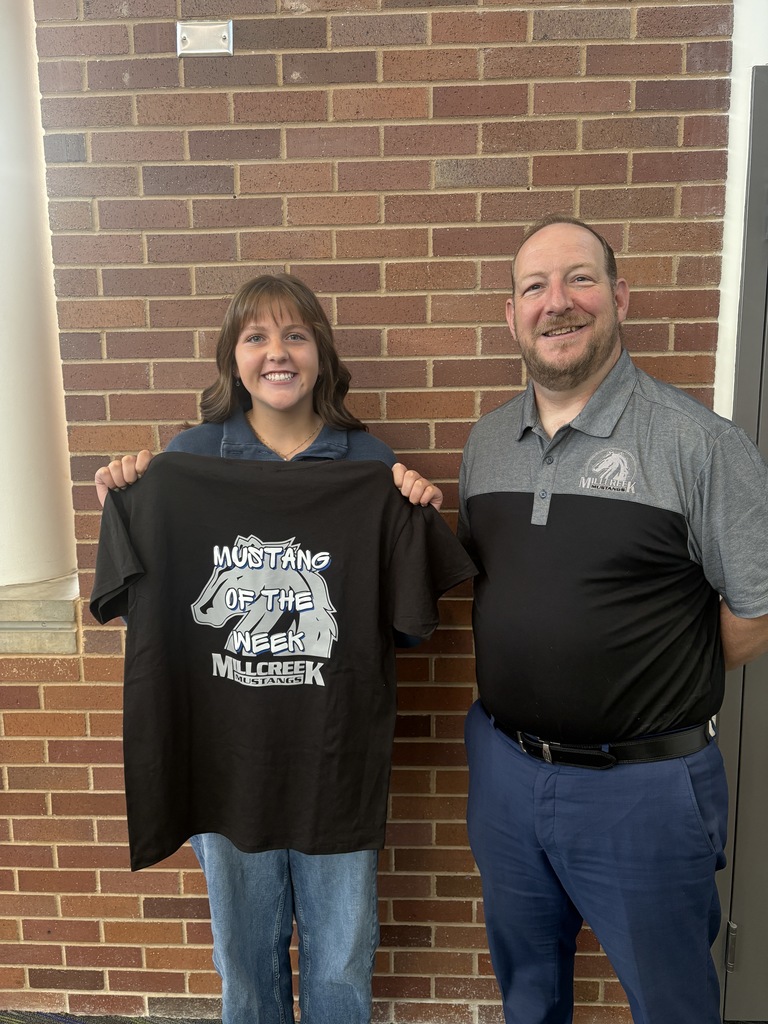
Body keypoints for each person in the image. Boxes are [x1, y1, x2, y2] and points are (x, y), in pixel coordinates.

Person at [93, 272, 470, 1024]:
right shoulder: (185, 463)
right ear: (232, 359)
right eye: (256, 337)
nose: (277, 352)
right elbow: (151, 613)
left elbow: (400, 628)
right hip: (224, 770)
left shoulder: (369, 467)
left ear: (320, 355)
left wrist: (413, 521)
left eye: (295, 336)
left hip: (335, 767)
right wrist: (128, 503)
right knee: (244, 967)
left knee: (341, 967)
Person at [459, 215, 768, 1024]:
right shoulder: (487, 444)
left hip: (644, 790)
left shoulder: (699, 444)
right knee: (529, 997)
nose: (556, 302)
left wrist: (659, 676)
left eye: (580, 279)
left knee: (672, 1005)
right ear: (512, 315)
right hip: (506, 773)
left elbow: (757, 608)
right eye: (535, 287)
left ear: (619, 297)